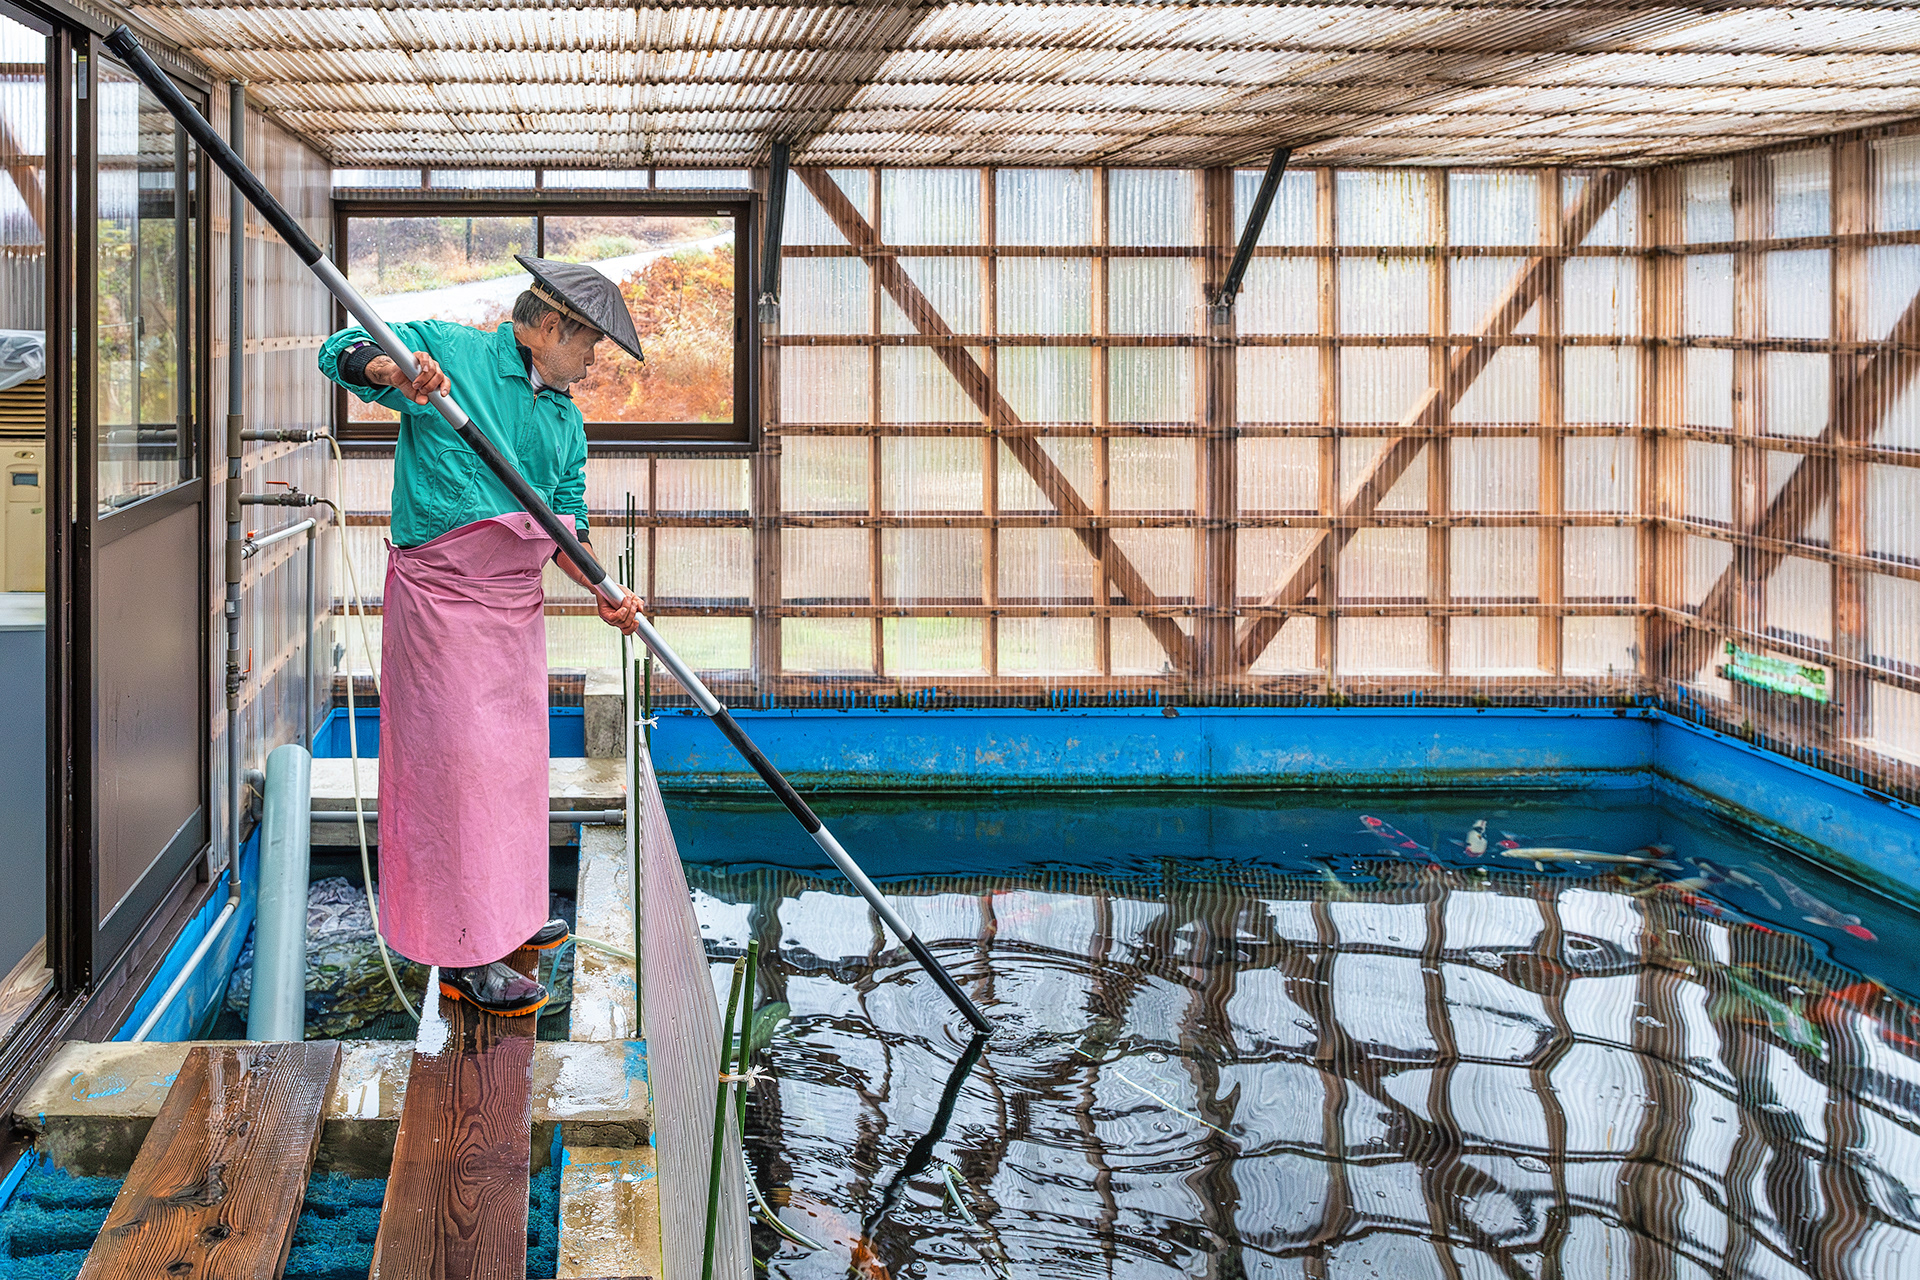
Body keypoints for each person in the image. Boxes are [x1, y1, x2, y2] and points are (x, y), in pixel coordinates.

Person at [318, 255, 645, 1016]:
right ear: (551, 327)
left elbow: (569, 518)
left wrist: (602, 588)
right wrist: (396, 373)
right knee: (456, 781)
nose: (593, 364)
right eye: (590, 346)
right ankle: (465, 954)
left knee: (511, 772)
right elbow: (341, 352)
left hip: (511, 617)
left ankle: (509, 915)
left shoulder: (565, 421)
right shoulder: (451, 356)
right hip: (440, 611)